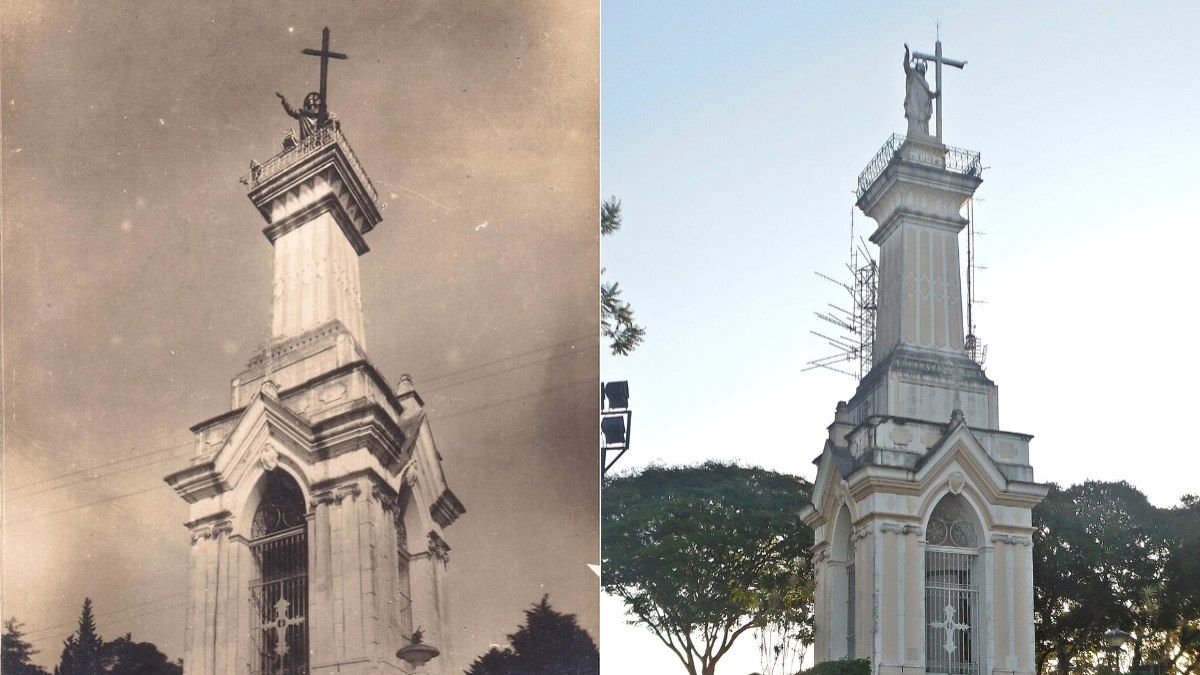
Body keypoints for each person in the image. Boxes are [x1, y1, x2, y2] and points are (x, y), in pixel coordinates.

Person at [902, 44, 935, 137]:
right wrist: (907, 53)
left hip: (923, 106)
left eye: (923, 67)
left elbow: (928, 95)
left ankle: (924, 136)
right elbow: (906, 66)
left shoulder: (925, 83)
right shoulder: (912, 75)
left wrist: (934, 95)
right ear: (916, 67)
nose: (922, 67)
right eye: (920, 66)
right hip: (914, 103)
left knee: (924, 123)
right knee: (914, 121)